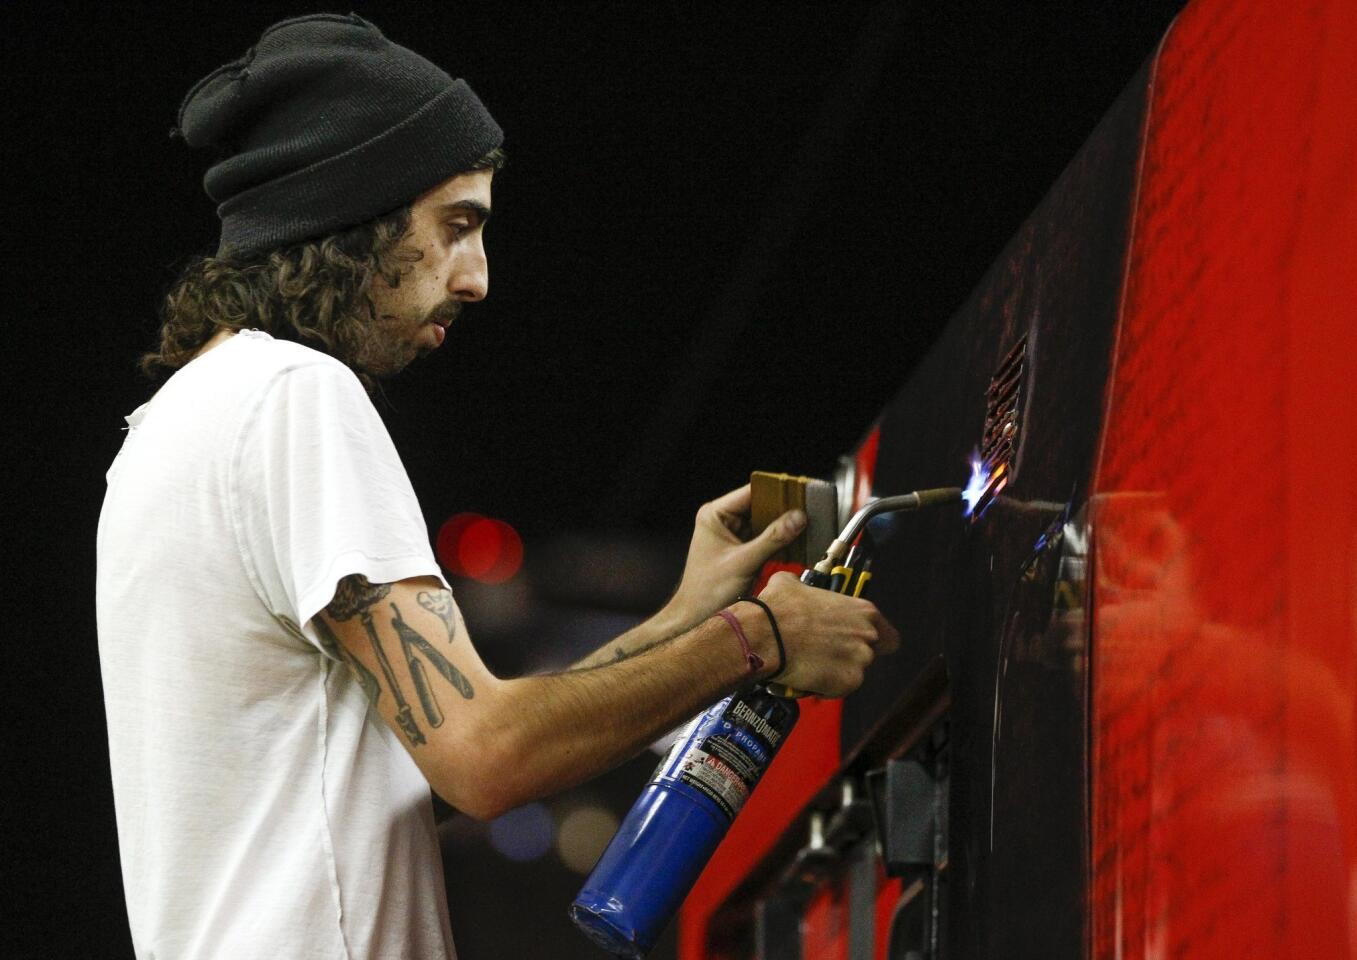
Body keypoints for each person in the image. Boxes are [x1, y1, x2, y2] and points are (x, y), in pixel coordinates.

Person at [96, 14, 900, 960]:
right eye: (455, 226)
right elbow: (485, 757)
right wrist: (760, 639)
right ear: (352, 211)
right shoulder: (296, 397)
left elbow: (424, 771)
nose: (475, 278)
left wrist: (685, 617)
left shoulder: (164, 434)